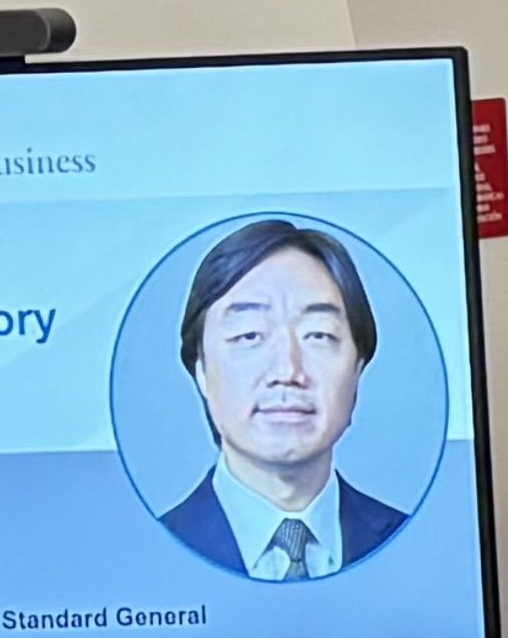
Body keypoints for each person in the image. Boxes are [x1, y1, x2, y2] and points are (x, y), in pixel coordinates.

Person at [158, 217, 409, 574]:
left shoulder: (413, 543)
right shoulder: (149, 550)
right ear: (200, 369)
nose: (288, 372)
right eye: (249, 336)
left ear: (358, 368)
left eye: (319, 335)